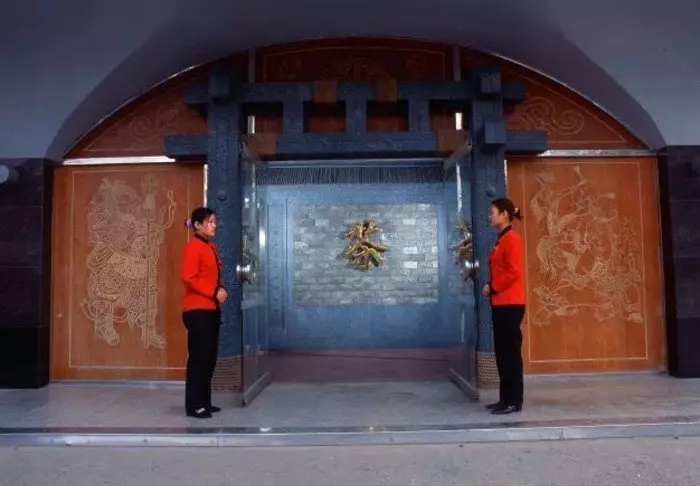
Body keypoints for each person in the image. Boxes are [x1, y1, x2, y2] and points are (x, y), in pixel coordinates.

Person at [181, 207, 228, 419]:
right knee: (199, 358)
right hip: (197, 310)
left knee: (209, 358)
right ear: (198, 225)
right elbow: (188, 277)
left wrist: (221, 288)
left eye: (215, 221)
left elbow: (212, 276)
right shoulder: (194, 247)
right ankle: (194, 405)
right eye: (210, 222)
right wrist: (213, 292)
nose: (214, 225)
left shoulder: (210, 246)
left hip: (210, 309)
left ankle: (204, 402)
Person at [482, 198, 526, 415]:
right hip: (501, 302)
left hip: (511, 303)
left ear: (504, 214)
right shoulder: (501, 239)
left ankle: (514, 400)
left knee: (510, 354)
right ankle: (505, 398)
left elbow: (513, 272)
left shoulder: (512, 239)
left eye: (493, 212)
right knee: (502, 353)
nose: (490, 216)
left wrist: (492, 286)